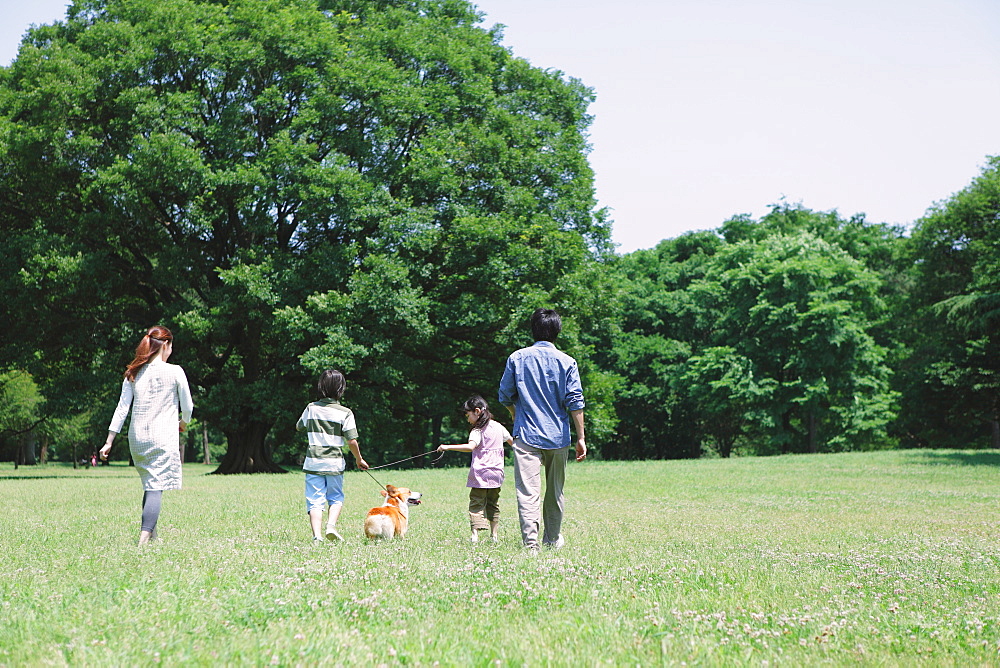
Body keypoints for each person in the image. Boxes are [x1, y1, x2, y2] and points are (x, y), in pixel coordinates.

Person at [498, 308, 586, 551]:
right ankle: (552, 540)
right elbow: (575, 402)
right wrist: (581, 437)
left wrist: (516, 415)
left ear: (533, 330)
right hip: (558, 437)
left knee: (528, 493)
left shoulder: (517, 358)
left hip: (526, 435)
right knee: (555, 491)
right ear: (557, 331)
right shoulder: (568, 361)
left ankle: (530, 545)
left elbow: (504, 394)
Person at [100, 326, 194, 545]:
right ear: (167, 346)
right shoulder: (175, 371)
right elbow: (188, 406)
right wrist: (183, 423)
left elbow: (122, 409)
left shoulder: (133, 373)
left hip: (138, 439)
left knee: (151, 483)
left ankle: (154, 536)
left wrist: (109, 441)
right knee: (155, 487)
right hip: (163, 437)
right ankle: (143, 540)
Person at [296, 369, 369, 542]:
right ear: (341, 388)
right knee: (335, 496)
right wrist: (359, 459)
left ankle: (317, 536)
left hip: (313, 461)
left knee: (314, 499)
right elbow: (352, 441)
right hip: (334, 463)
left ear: (320, 387)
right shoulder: (345, 412)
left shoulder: (311, 408)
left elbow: (299, 426)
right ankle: (331, 526)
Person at [437, 395, 513, 544]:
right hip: (497, 474)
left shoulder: (477, 431)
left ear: (477, 411)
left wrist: (447, 447)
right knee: (493, 503)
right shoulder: (498, 426)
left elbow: (470, 447)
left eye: (468, 415)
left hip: (480, 474)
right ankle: (494, 535)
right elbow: (512, 442)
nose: (468, 419)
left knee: (476, 503)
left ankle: (475, 536)